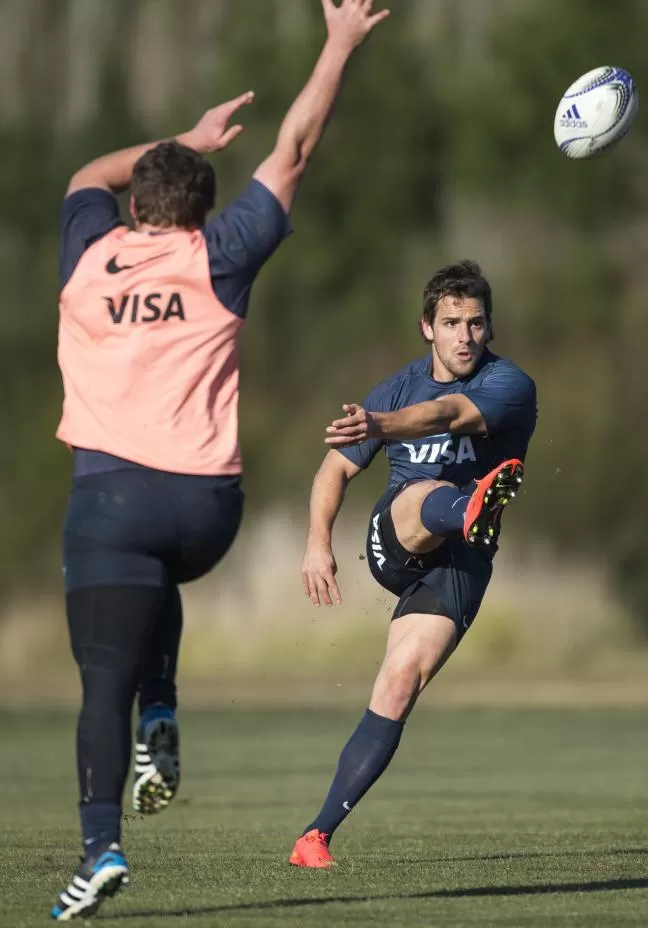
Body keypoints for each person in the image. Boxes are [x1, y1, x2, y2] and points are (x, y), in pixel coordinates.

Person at [50, 1, 389, 920]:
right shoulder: (222, 255)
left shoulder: (89, 256)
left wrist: (183, 137)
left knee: (100, 682)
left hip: (113, 502)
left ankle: (101, 849)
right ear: (202, 212)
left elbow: (86, 169)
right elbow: (296, 146)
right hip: (207, 512)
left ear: (132, 209)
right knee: (160, 580)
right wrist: (339, 44)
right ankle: (163, 709)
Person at [290, 260, 537, 868]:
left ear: (490, 327)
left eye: (476, 323)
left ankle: (314, 836)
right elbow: (334, 470)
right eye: (451, 322)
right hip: (397, 539)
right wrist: (317, 543)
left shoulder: (511, 385)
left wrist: (380, 425)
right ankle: (466, 505)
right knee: (422, 496)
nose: (465, 336)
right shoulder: (394, 390)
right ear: (426, 327)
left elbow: (451, 414)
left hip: (462, 565)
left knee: (399, 684)